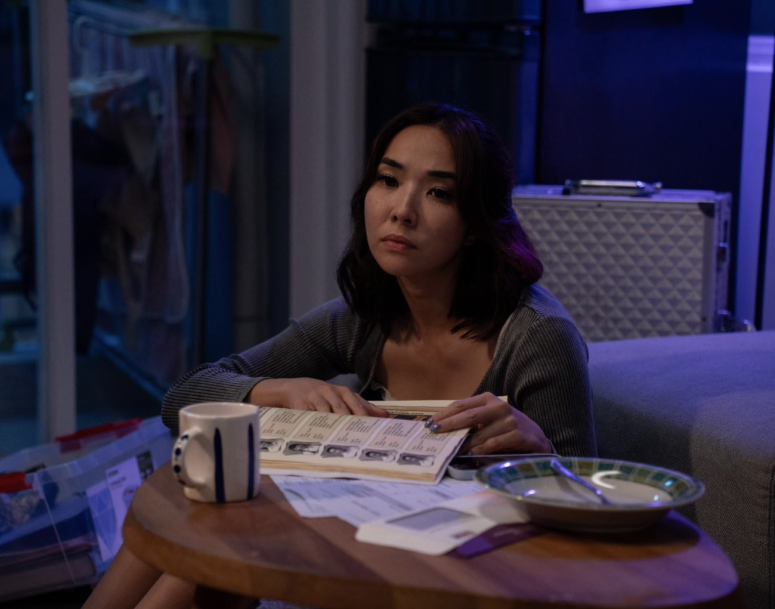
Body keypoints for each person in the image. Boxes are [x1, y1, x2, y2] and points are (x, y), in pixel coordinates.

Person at [82, 103, 594, 609]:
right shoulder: (365, 318)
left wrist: (541, 452)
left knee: (209, 550)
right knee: (195, 527)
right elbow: (183, 398)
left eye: (439, 192)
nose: (402, 209)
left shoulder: (537, 338)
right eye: (388, 180)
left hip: (461, 572)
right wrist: (280, 389)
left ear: (477, 224)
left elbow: (590, 519)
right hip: (363, 536)